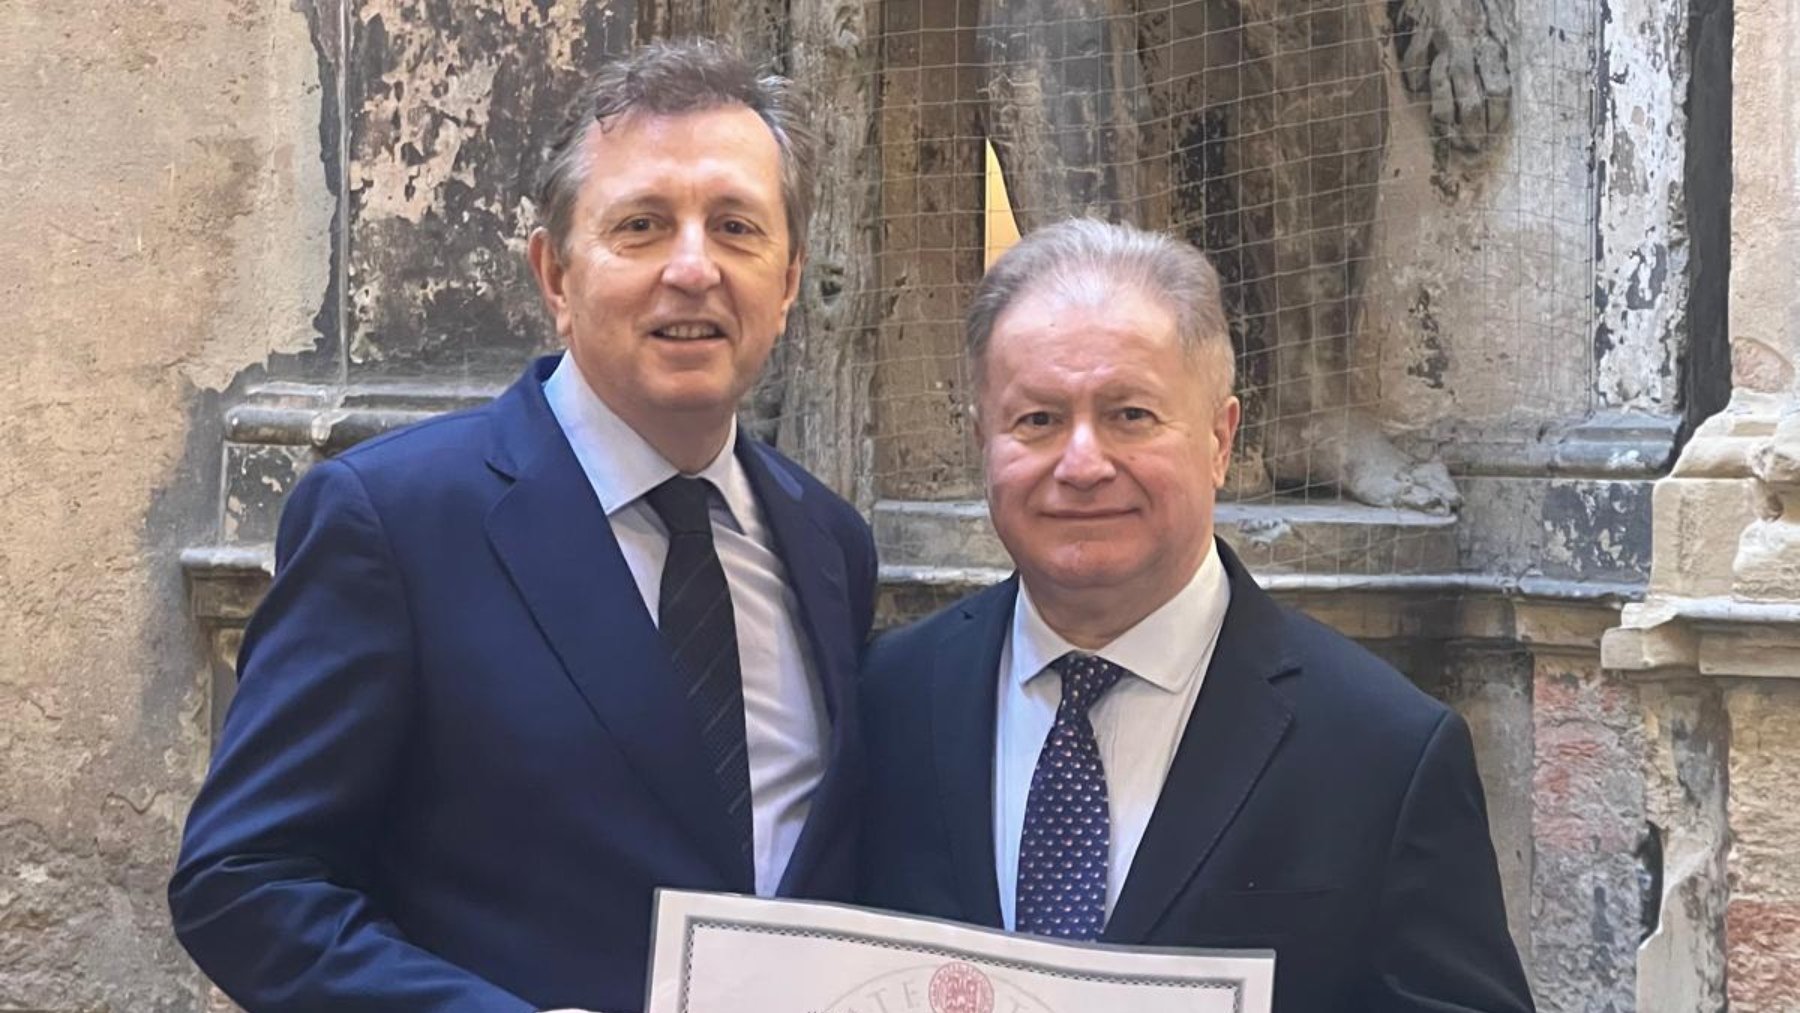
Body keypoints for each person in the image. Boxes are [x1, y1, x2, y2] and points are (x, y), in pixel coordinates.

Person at [169, 39, 876, 1013]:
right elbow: (244, 877)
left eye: (736, 228)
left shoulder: (829, 542)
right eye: (640, 225)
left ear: (789, 280)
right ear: (554, 274)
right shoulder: (395, 520)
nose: (693, 267)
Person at [859, 218, 1533, 1012]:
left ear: (1220, 438)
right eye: (1037, 419)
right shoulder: (885, 701)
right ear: (984, 442)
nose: (1081, 463)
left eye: (1130, 415)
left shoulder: (1385, 752)